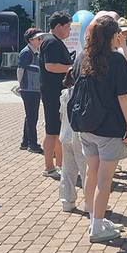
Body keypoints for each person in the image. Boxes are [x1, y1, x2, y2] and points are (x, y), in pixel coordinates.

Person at [71, 15, 127, 243]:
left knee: (92, 173)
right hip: (109, 127)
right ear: (114, 35)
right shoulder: (116, 60)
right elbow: (123, 96)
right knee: (105, 179)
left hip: (85, 125)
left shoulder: (83, 57)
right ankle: (96, 228)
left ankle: (95, 220)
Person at [39, 11, 73, 179]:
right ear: (59, 26)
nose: (70, 30)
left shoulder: (54, 41)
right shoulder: (51, 42)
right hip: (53, 93)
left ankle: (59, 164)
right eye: (68, 26)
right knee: (52, 131)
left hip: (56, 92)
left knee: (58, 131)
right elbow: (50, 66)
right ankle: (49, 166)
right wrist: (71, 68)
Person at [58, 67, 86, 214]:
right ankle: (90, 201)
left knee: (68, 169)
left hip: (66, 134)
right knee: (86, 169)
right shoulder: (84, 92)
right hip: (80, 135)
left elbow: (61, 116)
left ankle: (67, 201)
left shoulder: (65, 93)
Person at [16, 28, 44, 153]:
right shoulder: (27, 52)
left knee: (30, 116)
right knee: (32, 117)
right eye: (38, 38)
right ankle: (33, 144)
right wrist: (21, 84)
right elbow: (20, 70)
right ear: (30, 40)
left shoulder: (35, 52)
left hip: (34, 89)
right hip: (29, 89)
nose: (40, 41)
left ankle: (25, 142)